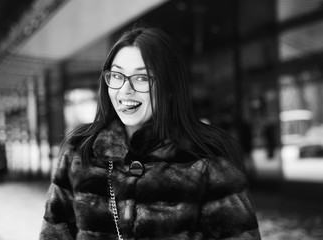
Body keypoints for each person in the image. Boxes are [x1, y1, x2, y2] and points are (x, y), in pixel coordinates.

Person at [39, 26, 261, 240]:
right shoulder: (81, 151)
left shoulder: (207, 158)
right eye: (117, 76)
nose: (125, 90)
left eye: (142, 78)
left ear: (170, 86)